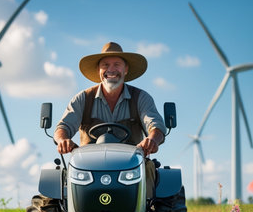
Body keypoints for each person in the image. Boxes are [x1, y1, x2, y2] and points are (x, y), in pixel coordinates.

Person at [54, 42, 168, 198]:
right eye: (105, 65)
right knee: (54, 186)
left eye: (117, 64)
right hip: (88, 166)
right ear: (99, 70)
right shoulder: (83, 99)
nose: (111, 70)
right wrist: (63, 140)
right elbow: (63, 127)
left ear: (126, 69)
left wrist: (152, 140)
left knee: (152, 173)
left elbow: (156, 126)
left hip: (131, 166)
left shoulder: (141, 98)